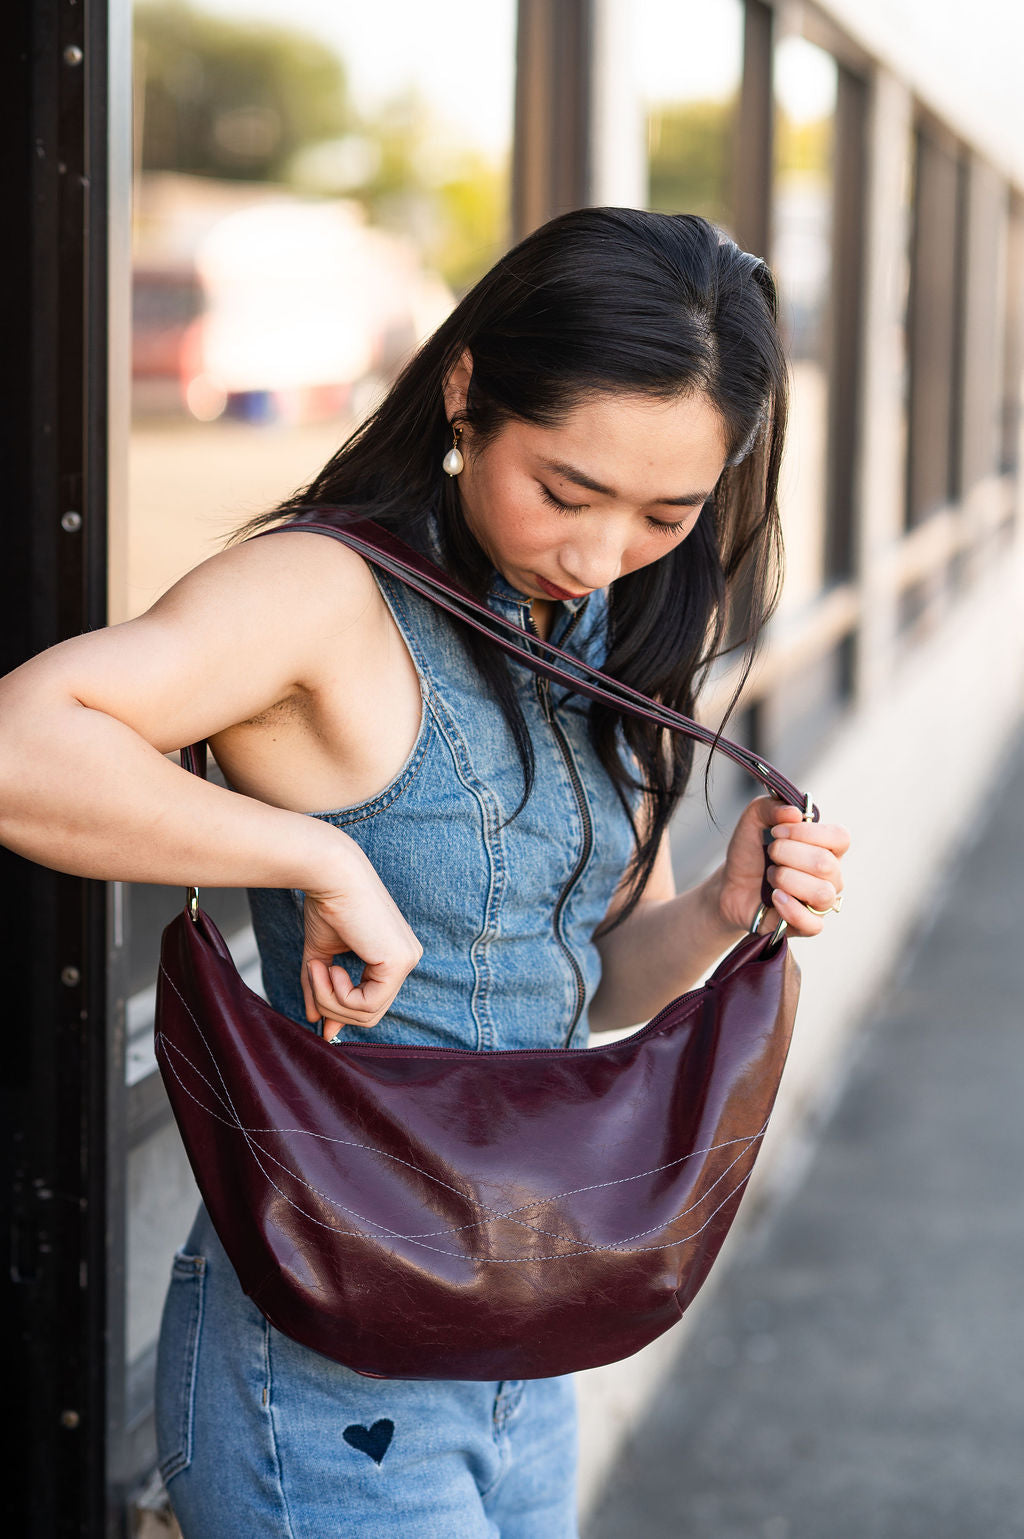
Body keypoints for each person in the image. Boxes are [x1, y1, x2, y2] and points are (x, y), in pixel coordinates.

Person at [0, 207, 849, 1537]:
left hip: (530, 1332)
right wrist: (307, 852)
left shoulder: (601, 633)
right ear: (466, 391)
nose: (597, 551)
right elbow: (19, 745)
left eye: (664, 514)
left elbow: (597, 983)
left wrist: (719, 912)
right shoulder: (323, 594)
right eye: (565, 490)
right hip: (336, 1363)